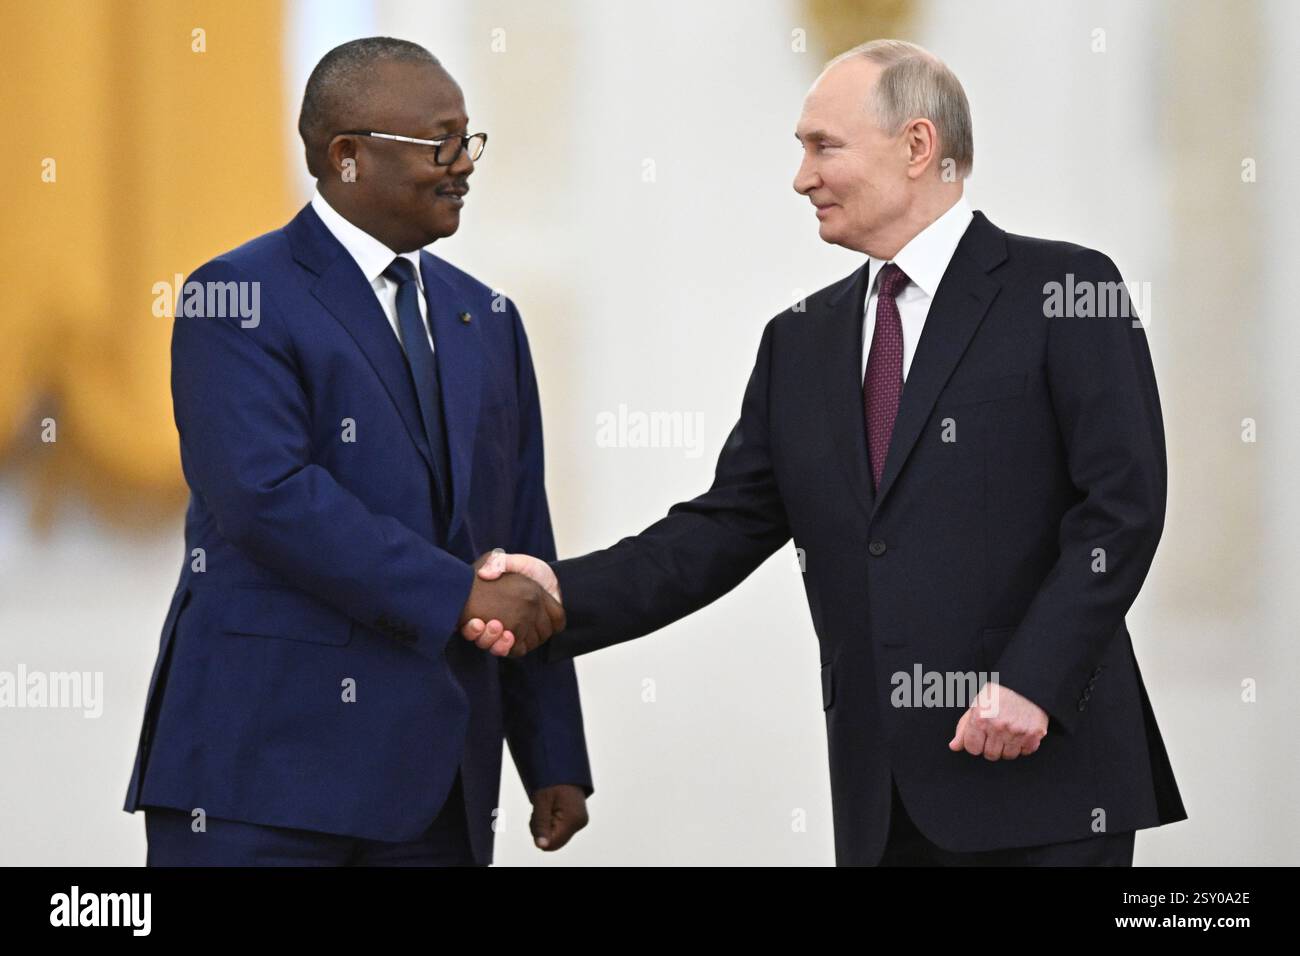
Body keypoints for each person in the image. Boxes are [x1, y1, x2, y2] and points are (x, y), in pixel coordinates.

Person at [464, 39, 1186, 866]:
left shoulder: (1065, 290)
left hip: (1044, 777)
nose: (801, 177)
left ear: (917, 147)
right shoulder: (798, 342)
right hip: (881, 803)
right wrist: (558, 593)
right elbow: (717, 532)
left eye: (823, 147)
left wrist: (1034, 680)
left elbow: (1123, 509)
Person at [122, 37, 592, 865]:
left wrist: (551, 750)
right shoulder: (235, 296)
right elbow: (267, 496)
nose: (464, 165)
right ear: (347, 157)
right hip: (264, 777)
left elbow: (520, 539)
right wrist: (460, 596)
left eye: (468, 140)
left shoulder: (486, 316)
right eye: (441, 143)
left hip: (438, 786)